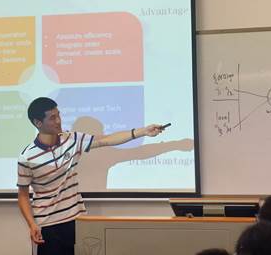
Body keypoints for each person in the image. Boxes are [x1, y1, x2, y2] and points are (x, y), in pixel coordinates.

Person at [17, 97, 165, 255]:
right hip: (47, 226)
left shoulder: (72, 139)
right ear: (38, 123)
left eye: (58, 115)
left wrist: (143, 131)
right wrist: (32, 224)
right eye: (52, 118)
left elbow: (107, 140)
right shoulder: (27, 157)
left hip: (77, 220)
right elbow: (23, 195)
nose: (58, 121)